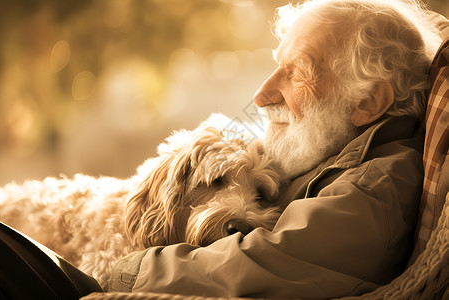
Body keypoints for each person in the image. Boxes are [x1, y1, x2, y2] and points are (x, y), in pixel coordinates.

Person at [103, 0, 443, 298]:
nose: (262, 95)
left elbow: (244, 267)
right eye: (276, 67)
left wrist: (124, 272)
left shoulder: (370, 189)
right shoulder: (330, 145)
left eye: (295, 73)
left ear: (369, 101)